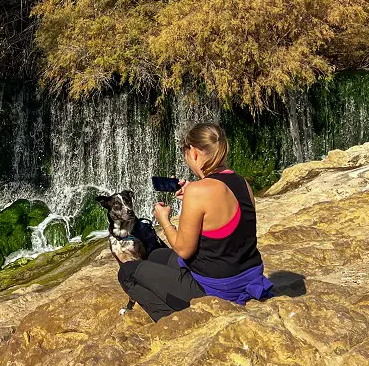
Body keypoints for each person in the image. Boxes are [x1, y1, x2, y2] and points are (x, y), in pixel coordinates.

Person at [117, 123, 274, 322]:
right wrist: (193, 195)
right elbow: (228, 225)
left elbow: (184, 250)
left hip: (220, 288)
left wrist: (164, 219)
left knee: (127, 272)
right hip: (248, 275)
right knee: (157, 255)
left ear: (193, 152)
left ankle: (176, 320)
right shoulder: (241, 182)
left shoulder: (198, 191)